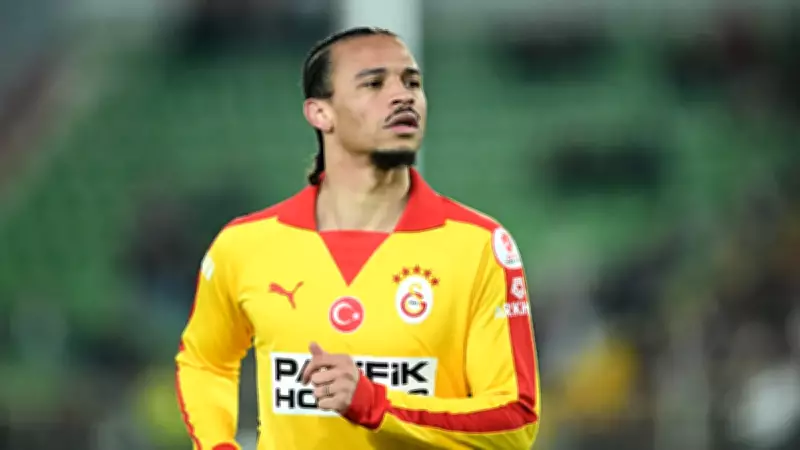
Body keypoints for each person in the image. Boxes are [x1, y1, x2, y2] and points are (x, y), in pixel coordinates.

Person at [175, 26, 540, 450]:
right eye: (374, 83)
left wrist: (375, 403)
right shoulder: (246, 245)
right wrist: (218, 445)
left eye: (412, 82)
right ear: (320, 114)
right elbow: (205, 362)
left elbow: (515, 421)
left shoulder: (478, 246)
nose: (402, 96)